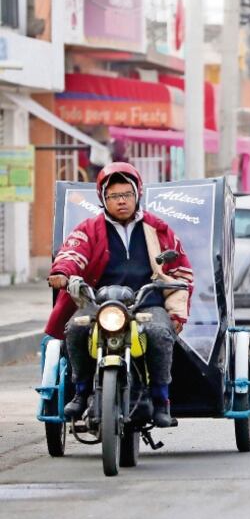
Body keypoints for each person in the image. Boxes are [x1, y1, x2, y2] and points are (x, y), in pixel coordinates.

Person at [45, 162, 194, 428]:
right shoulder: (89, 228)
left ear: (138, 194)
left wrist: (176, 312)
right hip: (99, 303)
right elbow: (71, 254)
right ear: (103, 198)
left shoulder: (158, 229)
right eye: (113, 196)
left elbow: (180, 270)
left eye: (126, 194)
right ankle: (81, 392)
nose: (121, 201)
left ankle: (161, 401)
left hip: (146, 302)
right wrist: (62, 272)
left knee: (160, 333)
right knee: (76, 328)